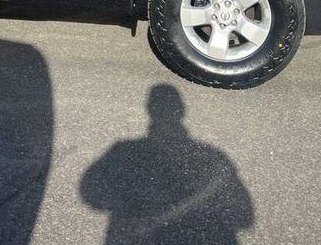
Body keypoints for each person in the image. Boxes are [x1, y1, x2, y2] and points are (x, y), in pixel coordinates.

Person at [80, 83, 254, 244]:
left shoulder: (124, 151)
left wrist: (128, 209)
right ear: (181, 111)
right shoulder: (212, 157)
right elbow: (244, 217)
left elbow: (90, 191)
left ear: (149, 110)